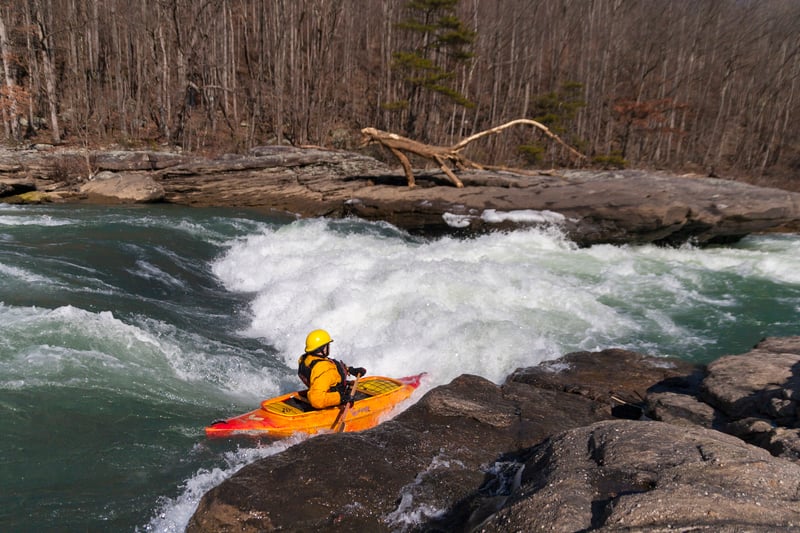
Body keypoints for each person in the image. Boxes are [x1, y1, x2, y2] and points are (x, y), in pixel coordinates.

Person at [297, 329, 366, 409]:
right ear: (322, 348)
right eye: (327, 345)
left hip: (321, 388)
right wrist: (341, 398)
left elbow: (333, 371)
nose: (329, 347)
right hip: (331, 398)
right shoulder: (324, 369)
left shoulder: (307, 359)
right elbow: (317, 400)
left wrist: (350, 370)